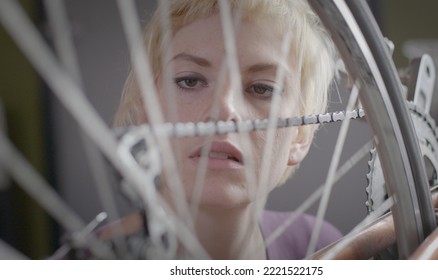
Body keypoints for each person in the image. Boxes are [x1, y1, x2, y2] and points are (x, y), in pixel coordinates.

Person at [107, 0, 342, 260]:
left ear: (301, 134)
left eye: (262, 88)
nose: (225, 111)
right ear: (144, 112)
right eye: (190, 80)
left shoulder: (322, 246)